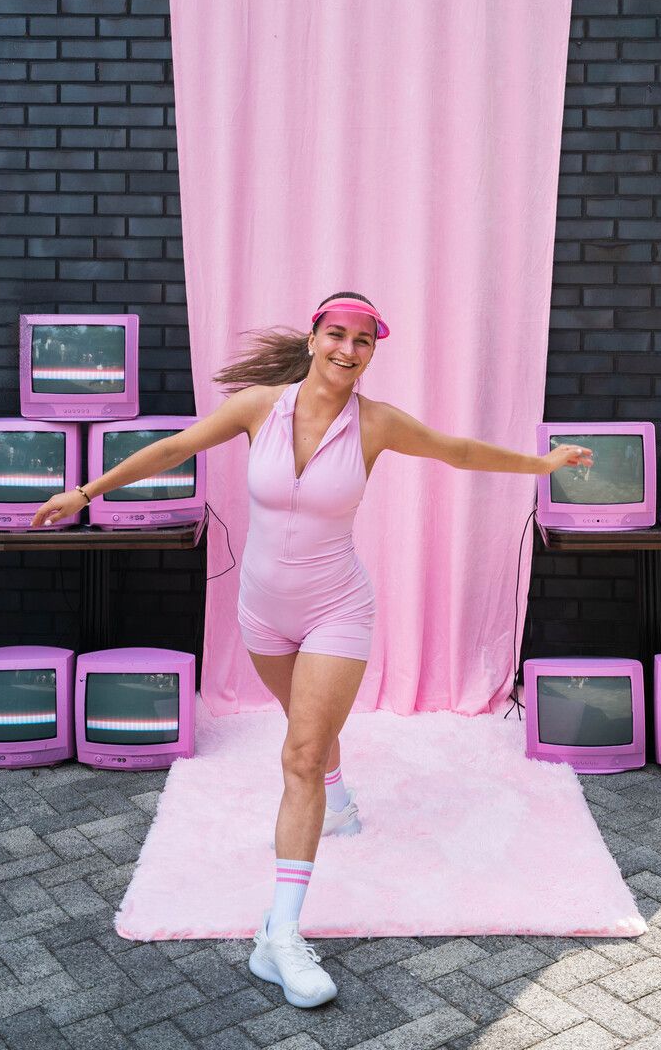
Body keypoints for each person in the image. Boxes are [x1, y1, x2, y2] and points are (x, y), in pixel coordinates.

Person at [30, 289, 593, 1009]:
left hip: (337, 610)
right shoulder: (260, 407)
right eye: (337, 335)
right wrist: (84, 492)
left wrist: (540, 465)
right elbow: (175, 448)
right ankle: (338, 797)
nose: (348, 350)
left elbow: (456, 451)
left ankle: (280, 935)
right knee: (313, 734)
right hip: (262, 613)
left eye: (363, 341)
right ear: (313, 338)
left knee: (298, 753)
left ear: (372, 352)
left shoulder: (376, 423)